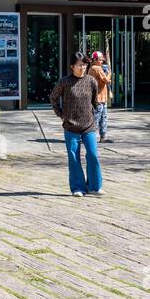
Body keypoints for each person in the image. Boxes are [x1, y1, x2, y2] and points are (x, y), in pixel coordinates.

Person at [50, 52, 103, 197]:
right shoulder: (65, 82)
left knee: (93, 154)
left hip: (88, 126)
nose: (83, 67)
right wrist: (61, 114)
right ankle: (78, 187)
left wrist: (93, 115)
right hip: (71, 126)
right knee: (74, 157)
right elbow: (53, 98)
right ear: (72, 66)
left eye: (85, 64)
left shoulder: (91, 81)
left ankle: (95, 186)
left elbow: (95, 102)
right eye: (80, 65)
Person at [88, 50, 112, 142]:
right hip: (98, 98)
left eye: (102, 60)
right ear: (95, 60)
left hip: (101, 97)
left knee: (102, 118)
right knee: (97, 118)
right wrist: (109, 73)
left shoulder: (91, 68)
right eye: (100, 60)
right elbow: (106, 80)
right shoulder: (97, 68)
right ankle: (91, 137)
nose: (102, 61)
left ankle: (102, 137)